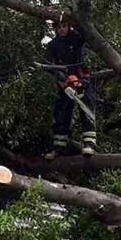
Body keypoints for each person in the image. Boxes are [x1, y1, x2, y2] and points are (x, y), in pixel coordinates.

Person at [44, 14, 96, 158]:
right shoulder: (53, 45)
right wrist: (60, 76)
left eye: (64, 26)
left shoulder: (77, 39)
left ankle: (89, 144)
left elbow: (87, 35)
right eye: (58, 27)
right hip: (64, 83)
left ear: (69, 26)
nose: (61, 29)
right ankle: (58, 148)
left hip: (82, 80)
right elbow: (48, 65)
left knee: (86, 110)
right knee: (61, 113)